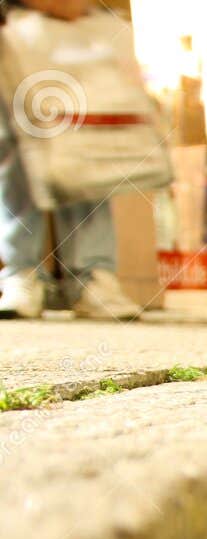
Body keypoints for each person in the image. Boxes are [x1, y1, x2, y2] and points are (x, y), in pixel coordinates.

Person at [0, 0, 143, 320]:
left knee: (82, 142)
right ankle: (22, 273)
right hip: (11, 27)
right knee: (17, 153)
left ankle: (93, 278)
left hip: (78, 29)